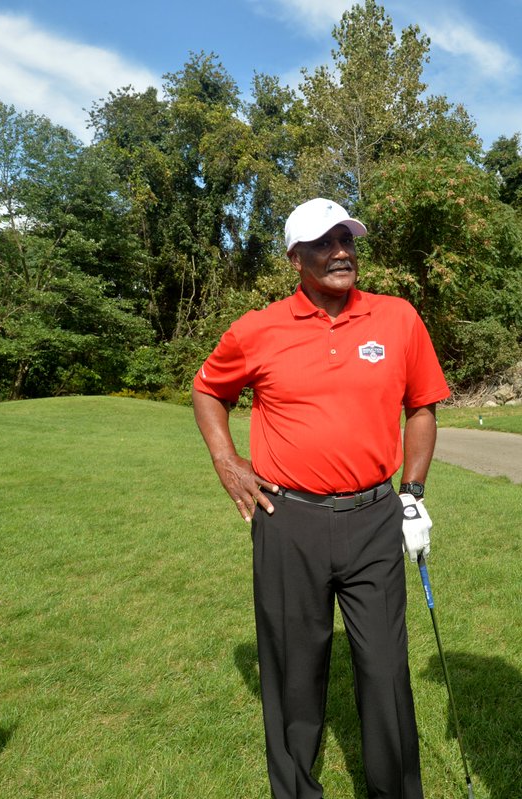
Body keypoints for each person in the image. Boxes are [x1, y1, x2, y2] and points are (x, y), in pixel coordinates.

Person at [192, 197, 450, 799]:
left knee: (385, 670)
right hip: (288, 520)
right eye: (324, 243)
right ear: (295, 257)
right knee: (293, 674)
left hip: (374, 518)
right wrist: (226, 461)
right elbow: (208, 391)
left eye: (347, 239)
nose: (341, 252)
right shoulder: (257, 329)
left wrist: (411, 494)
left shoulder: (398, 318)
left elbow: (423, 405)